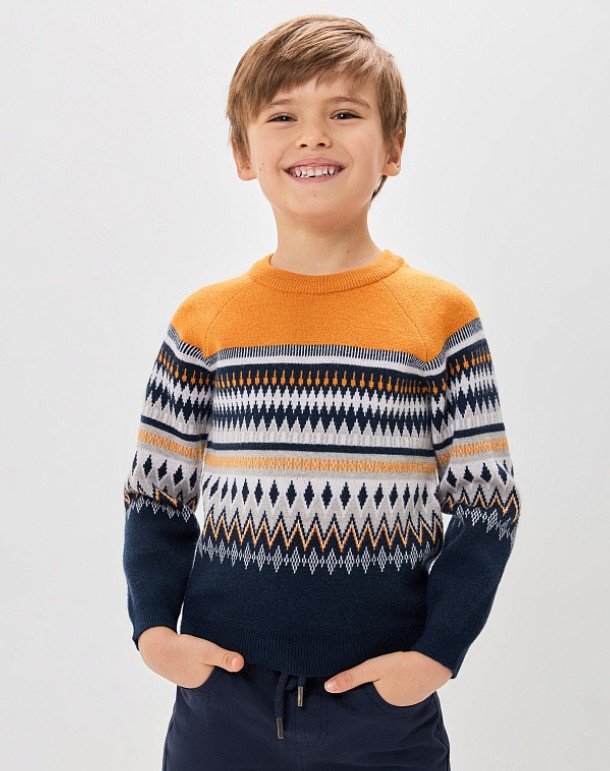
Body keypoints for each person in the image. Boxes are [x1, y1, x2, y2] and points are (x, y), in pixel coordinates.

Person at [122, 14, 521, 771]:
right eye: (283, 117)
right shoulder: (205, 320)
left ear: (392, 148)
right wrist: (153, 632)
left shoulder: (439, 317)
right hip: (223, 702)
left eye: (344, 113)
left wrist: (435, 656)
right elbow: (156, 496)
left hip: (382, 710)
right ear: (244, 154)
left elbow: (487, 505)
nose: (313, 137)